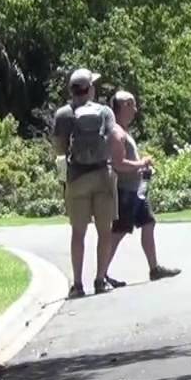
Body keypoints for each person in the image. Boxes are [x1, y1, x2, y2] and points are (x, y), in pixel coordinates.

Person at [53, 68, 122, 299]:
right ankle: (100, 280)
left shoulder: (63, 115)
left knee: (78, 233)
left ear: (72, 90)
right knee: (104, 231)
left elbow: (59, 149)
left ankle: (78, 285)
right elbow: (115, 138)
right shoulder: (104, 112)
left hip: (76, 179)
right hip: (102, 176)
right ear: (90, 89)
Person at [103, 90, 181, 288]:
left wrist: (142, 168)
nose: (135, 110)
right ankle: (100, 275)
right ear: (124, 106)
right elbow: (118, 164)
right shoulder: (116, 132)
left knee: (148, 223)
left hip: (135, 190)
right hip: (125, 192)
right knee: (118, 233)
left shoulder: (124, 132)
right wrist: (141, 163)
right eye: (132, 105)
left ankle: (154, 269)